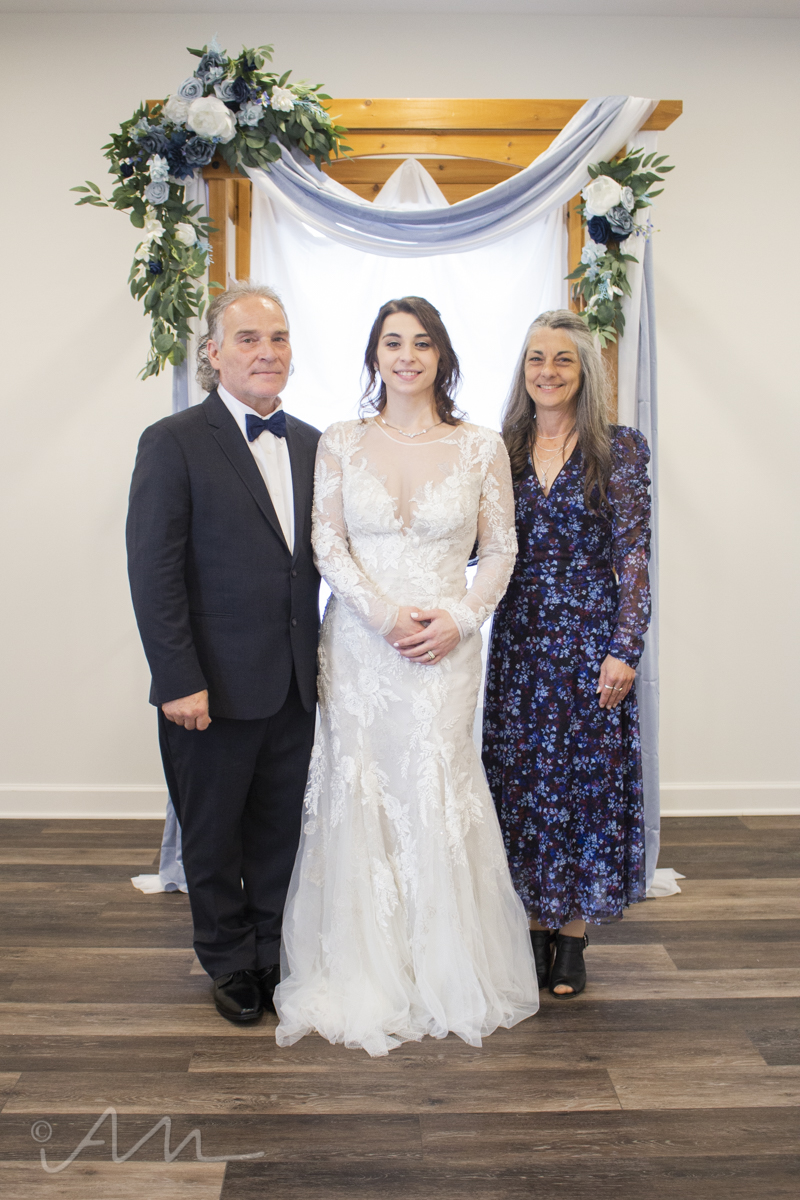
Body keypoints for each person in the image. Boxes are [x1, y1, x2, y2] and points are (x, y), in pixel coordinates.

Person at [274, 297, 538, 1056]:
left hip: (445, 649)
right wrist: (382, 615)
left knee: (436, 783)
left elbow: (502, 550)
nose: (407, 356)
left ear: (442, 356)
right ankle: (363, 963)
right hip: (361, 647)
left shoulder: (481, 446)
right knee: (361, 786)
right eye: (392, 343)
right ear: (374, 356)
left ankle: (445, 965)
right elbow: (326, 542)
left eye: (422, 343)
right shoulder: (340, 441)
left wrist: (461, 619)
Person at [126, 282, 321, 1024]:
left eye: (278, 337)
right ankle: (228, 960)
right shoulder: (173, 441)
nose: (267, 351)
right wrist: (178, 677)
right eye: (248, 338)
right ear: (213, 353)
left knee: (278, 830)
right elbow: (153, 571)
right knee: (212, 837)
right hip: (207, 685)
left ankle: (271, 951)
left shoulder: (314, 444)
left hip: (295, 682)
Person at [482, 309, 651, 999]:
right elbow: (472, 544)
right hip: (519, 642)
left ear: (585, 372)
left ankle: (573, 934)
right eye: (536, 358)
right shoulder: (500, 448)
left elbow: (633, 556)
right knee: (521, 784)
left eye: (562, 359)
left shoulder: (619, 448)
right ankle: (530, 924)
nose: (547, 371)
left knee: (586, 789)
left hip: (589, 643)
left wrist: (624, 649)